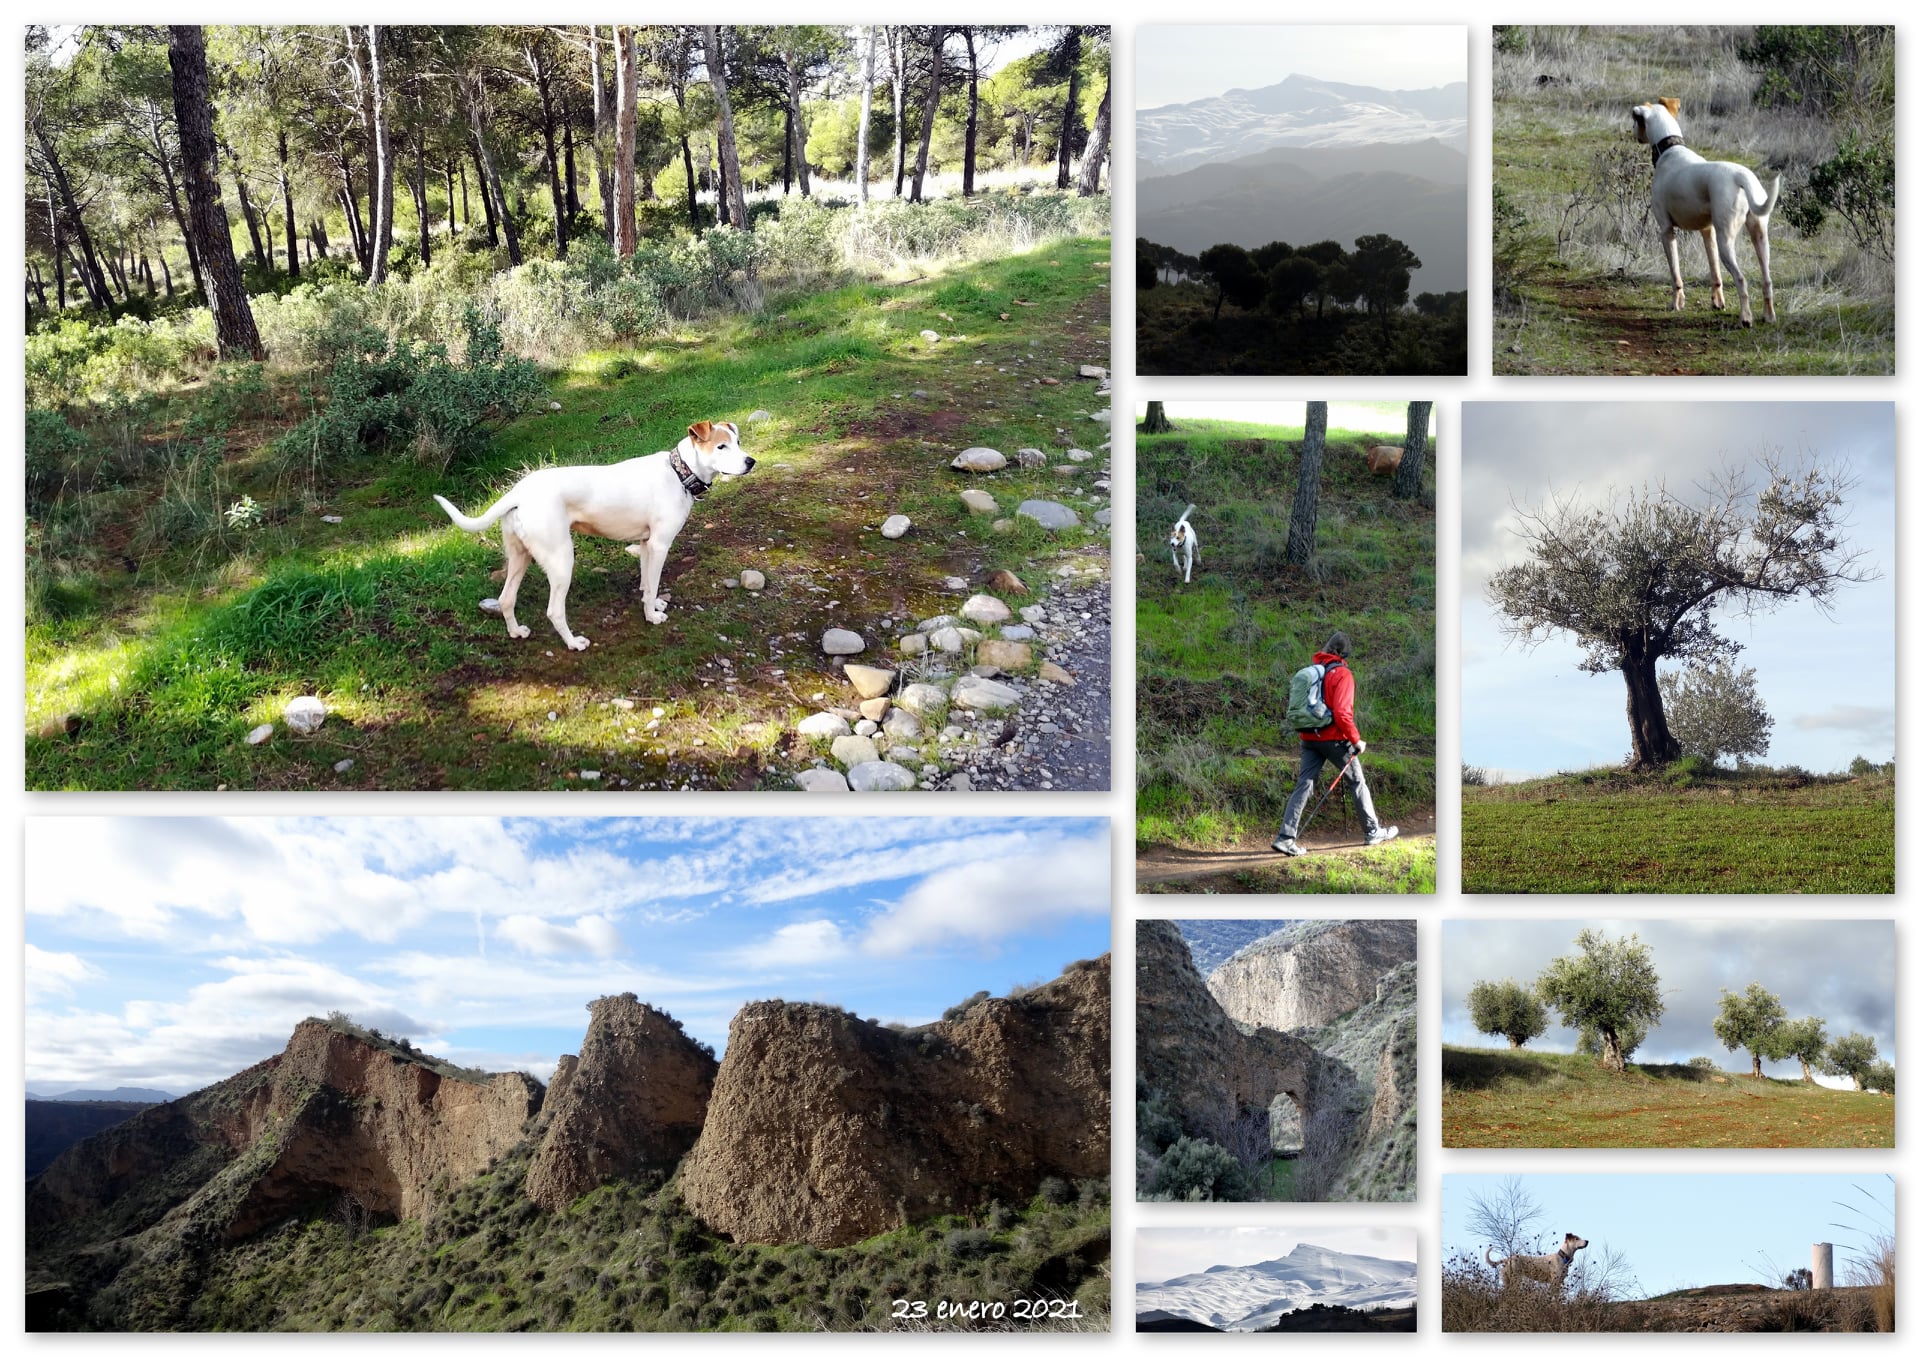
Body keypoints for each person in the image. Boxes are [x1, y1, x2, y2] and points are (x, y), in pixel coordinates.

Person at [1272, 631, 1398, 854]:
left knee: (1304, 784)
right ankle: (1372, 831)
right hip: (1333, 739)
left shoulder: (1314, 672)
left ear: (1327, 648)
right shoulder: (1342, 674)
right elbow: (1342, 713)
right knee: (1357, 781)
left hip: (1309, 737)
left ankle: (1285, 837)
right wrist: (1356, 740)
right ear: (1345, 653)